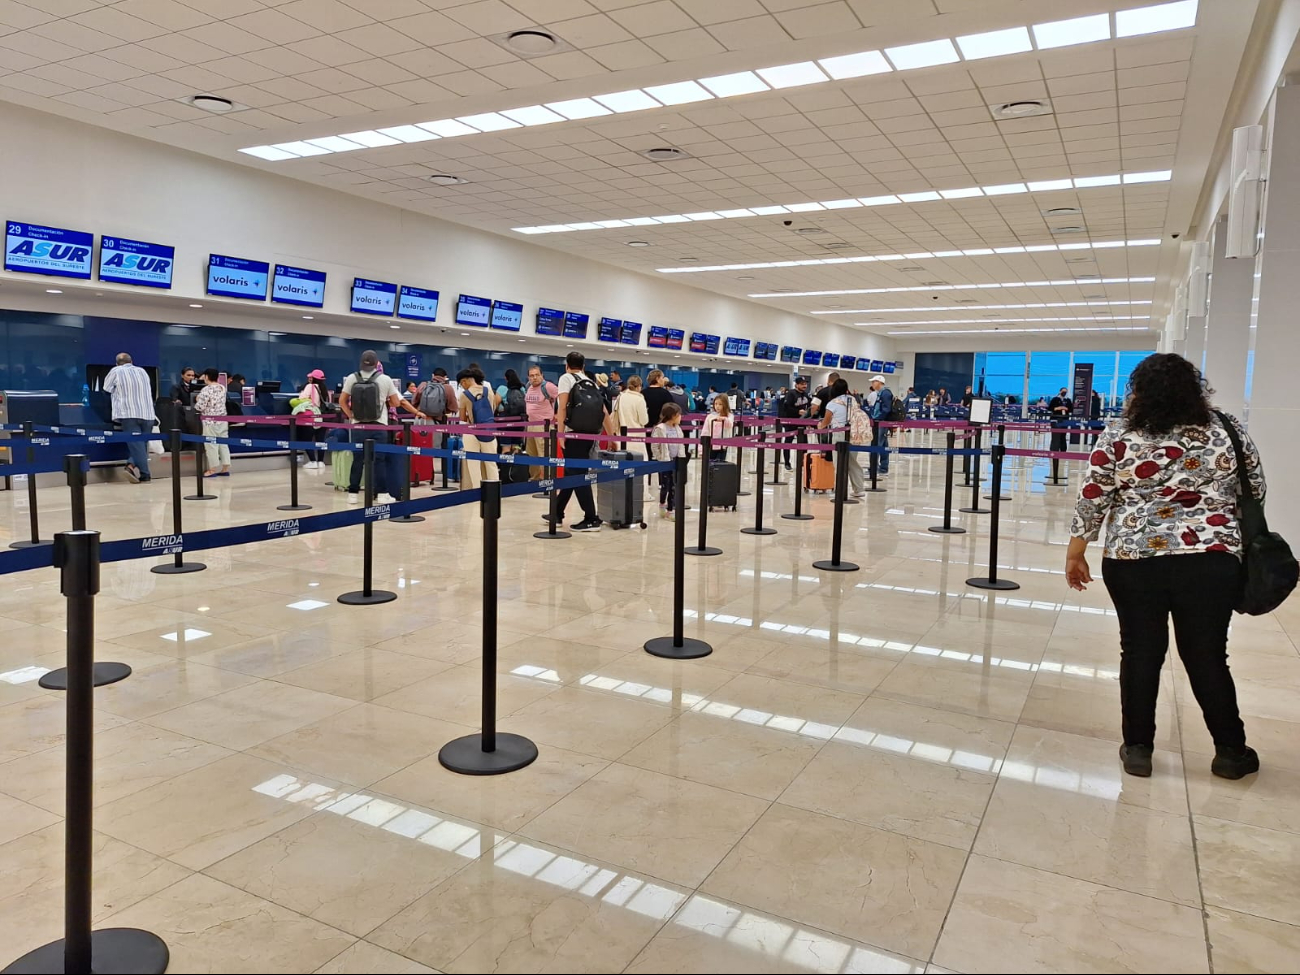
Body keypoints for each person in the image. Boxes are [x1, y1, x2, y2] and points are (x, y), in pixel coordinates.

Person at [1066, 353, 1264, 781]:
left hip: (1134, 559)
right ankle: (1231, 751)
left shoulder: (1120, 433)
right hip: (1211, 560)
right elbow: (1255, 489)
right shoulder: (1225, 429)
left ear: (1138, 390)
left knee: (1140, 651)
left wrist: (1076, 550)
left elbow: (1094, 493)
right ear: (1195, 389)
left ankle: (1138, 748)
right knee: (1207, 654)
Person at [339, 350, 423, 505]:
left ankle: (353, 494)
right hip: (379, 426)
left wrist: (351, 415)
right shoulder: (385, 379)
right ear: (376, 363)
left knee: (358, 459)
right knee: (379, 461)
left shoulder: (352, 377)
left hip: (358, 426)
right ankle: (382, 494)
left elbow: (342, 400)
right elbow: (397, 403)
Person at [553, 350, 613, 532]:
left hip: (573, 434)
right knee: (573, 472)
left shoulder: (566, 378)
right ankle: (556, 511)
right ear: (584, 366)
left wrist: (561, 434)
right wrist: (611, 436)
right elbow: (603, 411)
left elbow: (562, 407)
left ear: (567, 365)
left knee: (578, 475)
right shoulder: (590, 381)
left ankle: (591, 518)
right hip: (589, 435)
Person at [103, 352, 155, 483]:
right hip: (148, 413)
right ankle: (131, 466)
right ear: (131, 361)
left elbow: (106, 389)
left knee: (136, 444)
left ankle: (145, 474)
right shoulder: (142, 371)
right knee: (142, 444)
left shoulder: (115, 371)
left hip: (128, 413)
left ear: (117, 363)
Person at [820, 377, 866, 496]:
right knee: (852, 461)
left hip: (840, 434)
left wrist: (820, 426)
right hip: (855, 433)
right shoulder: (852, 399)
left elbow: (825, 421)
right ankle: (858, 488)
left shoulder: (832, 403)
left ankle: (841, 489)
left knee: (840, 462)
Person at [458, 366, 500, 489]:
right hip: (489, 429)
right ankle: (494, 490)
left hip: (471, 432)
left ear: (464, 381)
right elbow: (492, 410)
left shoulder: (464, 395)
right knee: (491, 462)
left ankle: (477, 490)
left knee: (473, 463)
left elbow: (462, 419)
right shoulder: (489, 391)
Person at [650, 402, 685, 520]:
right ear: (672, 415)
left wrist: (682, 458)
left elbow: (681, 445)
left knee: (674, 486)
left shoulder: (678, 428)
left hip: (676, 460)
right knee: (665, 485)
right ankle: (662, 503)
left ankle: (671, 510)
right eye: (679, 414)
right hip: (665, 461)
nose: (681, 417)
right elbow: (655, 445)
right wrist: (660, 458)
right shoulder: (660, 429)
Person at [523, 365, 558, 480]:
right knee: (531, 454)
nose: (535, 378)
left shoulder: (548, 387)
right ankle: (535, 478)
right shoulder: (528, 387)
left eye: (537, 375)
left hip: (544, 426)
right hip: (530, 425)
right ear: (528, 377)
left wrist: (558, 414)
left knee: (543, 453)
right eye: (532, 376)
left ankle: (547, 480)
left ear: (542, 375)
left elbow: (563, 398)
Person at [195, 369, 231, 477]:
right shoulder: (222, 388)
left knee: (211, 444)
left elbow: (200, 407)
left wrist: (197, 399)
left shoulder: (206, 390)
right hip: (223, 419)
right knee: (223, 443)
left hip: (210, 421)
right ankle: (225, 468)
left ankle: (212, 469)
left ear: (206, 376)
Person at [294, 369, 328, 469]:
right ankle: (321, 462)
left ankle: (313, 461)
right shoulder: (324, 388)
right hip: (322, 417)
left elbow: (302, 398)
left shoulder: (310, 386)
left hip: (311, 416)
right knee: (320, 440)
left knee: (307, 439)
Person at [779, 376, 811, 469]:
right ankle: (787, 463)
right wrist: (797, 412)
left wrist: (809, 420)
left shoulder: (806, 395)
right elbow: (786, 407)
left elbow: (809, 408)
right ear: (797, 385)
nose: (804, 385)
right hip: (790, 422)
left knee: (804, 443)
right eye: (802, 384)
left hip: (801, 423)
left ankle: (803, 462)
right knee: (788, 442)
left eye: (805, 383)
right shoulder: (791, 394)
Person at [616, 375, 649, 459]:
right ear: (639, 386)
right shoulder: (639, 399)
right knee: (639, 466)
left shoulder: (620, 397)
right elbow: (644, 421)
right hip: (637, 438)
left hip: (621, 436)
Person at [867, 375, 894, 475]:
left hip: (881, 423)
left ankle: (873, 468)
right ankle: (883, 467)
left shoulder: (885, 393)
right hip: (880, 422)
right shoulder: (881, 393)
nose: (872, 384)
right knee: (883, 445)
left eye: (874, 382)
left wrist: (879, 418)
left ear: (879, 382)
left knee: (876, 444)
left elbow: (886, 409)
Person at [702, 393, 734, 461]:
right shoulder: (710, 416)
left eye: (720, 404)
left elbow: (730, 425)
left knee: (720, 464)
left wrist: (724, 419)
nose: (717, 406)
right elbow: (705, 431)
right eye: (716, 404)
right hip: (711, 444)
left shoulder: (729, 416)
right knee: (710, 463)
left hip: (723, 445)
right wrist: (702, 447)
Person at [1049, 386, 1073, 456]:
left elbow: (1071, 409)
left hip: (1065, 419)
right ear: (1060, 391)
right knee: (1055, 435)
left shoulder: (1068, 400)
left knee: (1063, 435)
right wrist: (1057, 408)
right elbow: (1050, 408)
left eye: (1065, 392)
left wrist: (1066, 408)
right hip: (1055, 418)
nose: (1064, 393)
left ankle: (1063, 450)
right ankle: (1053, 450)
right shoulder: (1055, 399)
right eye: (1063, 391)